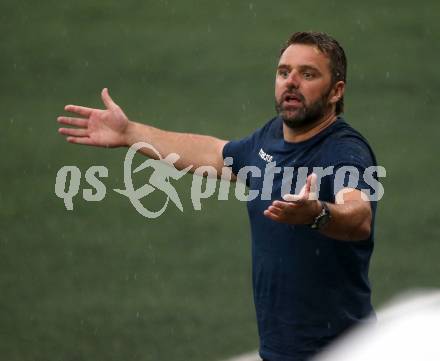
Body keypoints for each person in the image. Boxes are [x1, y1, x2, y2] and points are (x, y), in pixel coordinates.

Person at [57, 31, 379, 361]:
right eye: (284, 72)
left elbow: (359, 215)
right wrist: (130, 133)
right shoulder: (270, 138)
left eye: (307, 74)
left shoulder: (344, 150)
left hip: (343, 351)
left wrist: (318, 214)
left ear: (335, 91)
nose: (291, 82)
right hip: (282, 352)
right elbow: (215, 153)